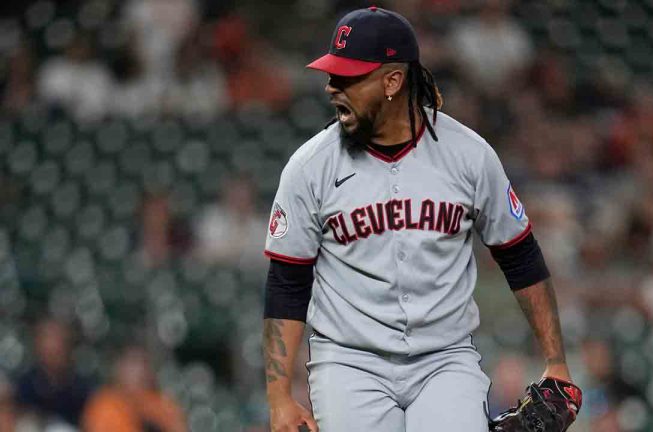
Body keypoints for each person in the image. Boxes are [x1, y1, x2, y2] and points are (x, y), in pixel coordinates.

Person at [262, 7, 580, 432]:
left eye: (348, 77)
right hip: (349, 361)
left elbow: (520, 256)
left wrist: (555, 360)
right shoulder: (310, 167)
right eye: (333, 75)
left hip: (445, 359)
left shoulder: (469, 155)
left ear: (393, 81)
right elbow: (287, 282)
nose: (332, 87)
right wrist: (279, 397)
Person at [82, 345, 186, 432]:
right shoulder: (103, 405)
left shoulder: (162, 405)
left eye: (143, 363)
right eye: (133, 364)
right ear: (118, 368)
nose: (139, 371)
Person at [15, 319, 93, 429]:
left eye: (58, 342)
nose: (53, 348)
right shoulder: (25, 384)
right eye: (48, 341)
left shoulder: (81, 388)